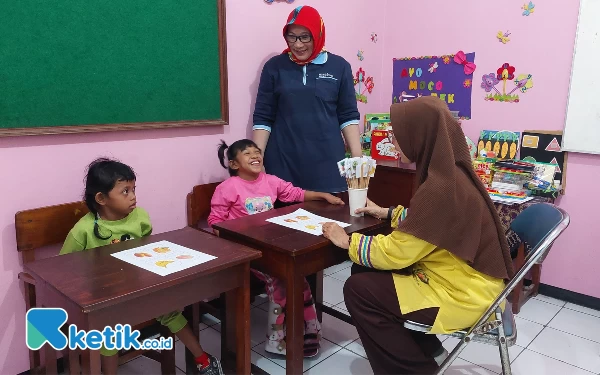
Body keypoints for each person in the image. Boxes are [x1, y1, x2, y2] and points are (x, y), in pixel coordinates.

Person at [321, 97, 515, 375]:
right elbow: (431, 226)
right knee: (362, 270)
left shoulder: (441, 188)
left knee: (358, 290)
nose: (393, 141)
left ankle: (415, 369)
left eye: (397, 135)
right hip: (468, 281)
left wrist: (347, 240)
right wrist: (388, 213)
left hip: (463, 293)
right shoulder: (451, 175)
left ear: (419, 134)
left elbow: (396, 251)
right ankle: (429, 350)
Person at [60, 158, 223, 375]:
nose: (133, 196)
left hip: (140, 288)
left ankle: (203, 359)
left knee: (170, 311)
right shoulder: (84, 230)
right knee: (109, 333)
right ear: (101, 198)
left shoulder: (140, 217)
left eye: (134, 189)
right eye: (125, 191)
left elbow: (147, 250)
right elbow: (62, 267)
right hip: (106, 298)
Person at [208, 139, 345, 357]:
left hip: (274, 248)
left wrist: (323, 195)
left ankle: (310, 330)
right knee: (279, 283)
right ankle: (275, 338)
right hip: (247, 253)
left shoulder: (270, 181)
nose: (255, 156)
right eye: (247, 153)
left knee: (300, 281)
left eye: (257, 152)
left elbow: (295, 194)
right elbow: (215, 222)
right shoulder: (227, 188)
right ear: (234, 164)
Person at [252, 5, 363, 196]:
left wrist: (358, 159)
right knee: (280, 223)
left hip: (327, 164)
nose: (297, 44)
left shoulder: (339, 66)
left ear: (318, 34)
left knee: (332, 220)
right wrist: (257, 160)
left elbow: (348, 116)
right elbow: (263, 117)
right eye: (292, 36)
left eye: (305, 36)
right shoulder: (274, 67)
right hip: (282, 162)